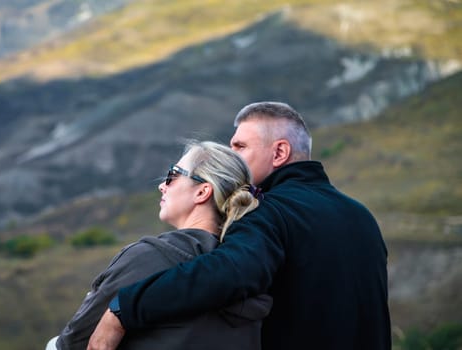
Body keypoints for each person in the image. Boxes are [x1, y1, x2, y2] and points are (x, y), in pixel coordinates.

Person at [88, 101, 392, 350]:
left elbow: (227, 273)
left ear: (279, 153)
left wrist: (124, 308)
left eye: (240, 146)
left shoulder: (271, 211)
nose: (231, 156)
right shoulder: (362, 216)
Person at [46, 140, 271, 350]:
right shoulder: (254, 275)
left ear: (202, 192)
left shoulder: (148, 258)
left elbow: (73, 341)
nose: (162, 186)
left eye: (173, 175)